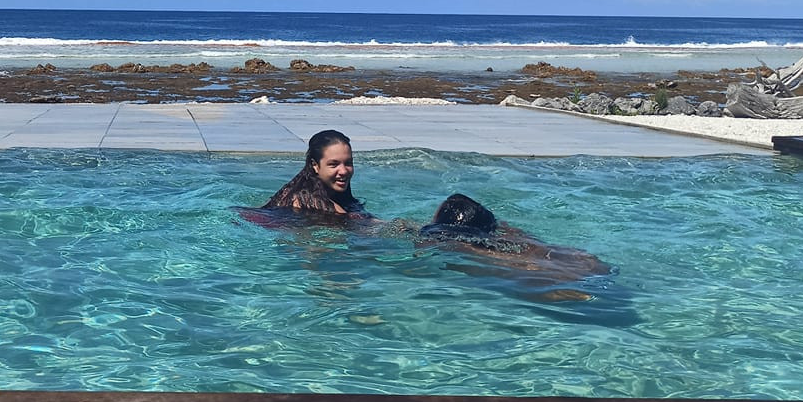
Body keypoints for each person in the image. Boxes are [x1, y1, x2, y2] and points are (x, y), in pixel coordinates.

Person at [416, 192, 612, 281]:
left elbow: (423, 243)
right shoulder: (511, 237)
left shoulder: (450, 243)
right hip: (590, 265)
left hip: (557, 282)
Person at [257, 129, 369, 217]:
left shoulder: (294, 189)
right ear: (315, 165)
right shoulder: (324, 208)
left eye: (348, 163)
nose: (344, 171)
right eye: (333, 164)